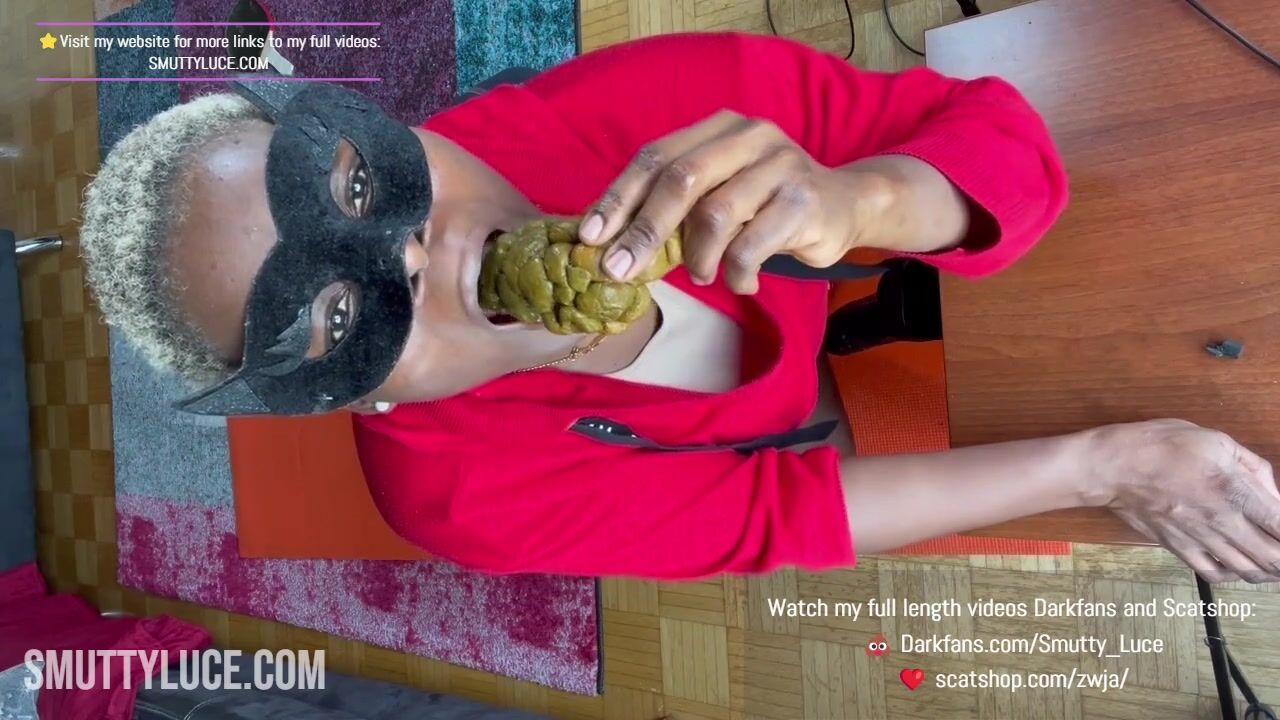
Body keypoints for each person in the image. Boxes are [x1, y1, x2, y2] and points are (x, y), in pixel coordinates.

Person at [80, 33, 1280, 583]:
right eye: (341, 321)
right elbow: (775, 515)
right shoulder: (459, 499)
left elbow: (993, 133)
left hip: (923, 274)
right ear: (362, 398)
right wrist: (1104, 464)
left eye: (358, 185)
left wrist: (861, 196)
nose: (413, 250)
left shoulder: (634, 109)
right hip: (798, 420)